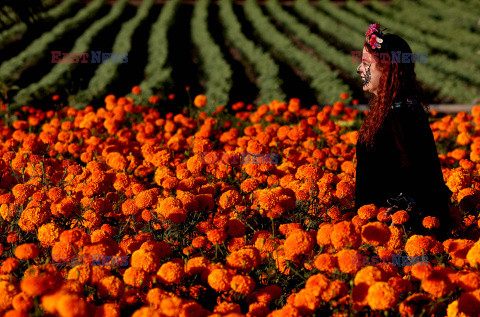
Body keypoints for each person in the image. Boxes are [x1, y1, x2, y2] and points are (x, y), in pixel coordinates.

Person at [354, 23, 452, 238]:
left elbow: (419, 175)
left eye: (366, 63)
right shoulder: (389, 109)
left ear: (387, 68)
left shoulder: (403, 114)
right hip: (380, 228)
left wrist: (400, 209)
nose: (359, 69)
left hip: (400, 232)